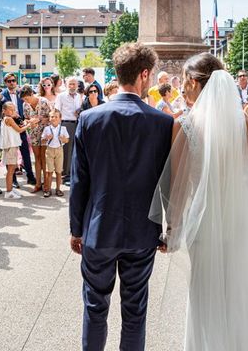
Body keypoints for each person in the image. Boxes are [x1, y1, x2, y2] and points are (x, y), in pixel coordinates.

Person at [150, 52, 248, 351]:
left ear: (194, 82)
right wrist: (234, 191)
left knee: (204, 291)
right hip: (236, 218)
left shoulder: (185, 125)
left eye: (184, 80)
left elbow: (178, 188)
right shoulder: (240, 120)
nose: (181, 86)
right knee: (238, 287)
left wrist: (172, 230)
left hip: (202, 220)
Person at [69, 43, 175, 351]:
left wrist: (76, 228)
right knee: (135, 313)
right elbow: (167, 183)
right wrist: (170, 228)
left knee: (94, 308)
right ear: (144, 74)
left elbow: (79, 181)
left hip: (99, 228)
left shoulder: (90, 119)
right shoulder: (163, 122)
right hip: (143, 230)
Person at [1, 73, 36, 186]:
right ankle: (13, 180)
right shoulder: (2, 95)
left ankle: (30, 177)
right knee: (11, 155)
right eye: (9, 81)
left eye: (13, 81)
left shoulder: (21, 93)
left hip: (20, 125)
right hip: (9, 127)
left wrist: (25, 120)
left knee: (25, 153)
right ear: (6, 82)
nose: (12, 83)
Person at [0, 102, 36, 199]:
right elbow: (19, 130)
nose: (12, 111)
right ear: (4, 110)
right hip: (11, 146)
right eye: (10, 109)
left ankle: (10, 188)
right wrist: (29, 125)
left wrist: (21, 120)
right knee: (11, 170)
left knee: (12, 168)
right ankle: (8, 191)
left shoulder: (9, 118)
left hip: (12, 146)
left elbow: (20, 125)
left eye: (13, 109)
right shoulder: (9, 119)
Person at [22, 85, 50, 194]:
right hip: (33, 133)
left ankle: (46, 184)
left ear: (32, 94)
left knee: (44, 158)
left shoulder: (44, 101)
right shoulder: (25, 105)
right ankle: (38, 183)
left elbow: (52, 116)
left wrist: (39, 119)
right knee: (37, 158)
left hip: (46, 133)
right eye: (24, 99)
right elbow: (25, 118)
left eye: (27, 98)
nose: (25, 101)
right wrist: (27, 122)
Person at [54, 77, 83, 184]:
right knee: (66, 150)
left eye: (74, 84)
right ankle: (65, 175)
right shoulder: (61, 96)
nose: (72, 86)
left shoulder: (78, 96)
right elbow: (56, 111)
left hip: (77, 124)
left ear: (77, 85)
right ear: (66, 85)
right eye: (70, 84)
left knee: (75, 149)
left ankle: (72, 173)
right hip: (66, 124)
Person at [41, 109, 69, 197]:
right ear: (49, 118)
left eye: (56, 117)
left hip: (59, 150)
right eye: (52, 116)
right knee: (49, 171)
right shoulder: (47, 129)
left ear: (60, 119)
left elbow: (67, 140)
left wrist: (63, 139)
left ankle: (58, 189)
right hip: (49, 150)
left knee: (58, 171)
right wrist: (47, 138)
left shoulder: (63, 128)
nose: (54, 118)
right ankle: (48, 189)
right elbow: (42, 141)